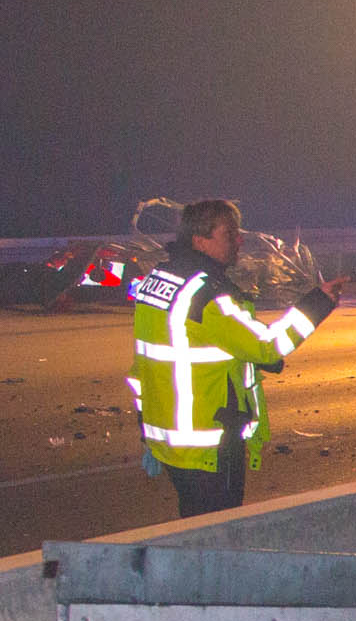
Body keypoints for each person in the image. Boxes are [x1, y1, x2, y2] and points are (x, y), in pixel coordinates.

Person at [128, 199, 341, 518]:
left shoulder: (158, 281)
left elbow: (145, 366)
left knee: (194, 529)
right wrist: (318, 303)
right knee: (216, 534)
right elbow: (267, 346)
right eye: (230, 234)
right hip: (209, 444)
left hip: (169, 440)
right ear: (201, 240)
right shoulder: (207, 296)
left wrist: (147, 432)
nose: (240, 241)